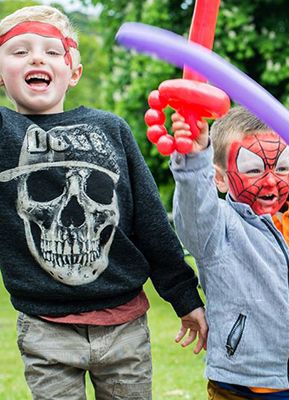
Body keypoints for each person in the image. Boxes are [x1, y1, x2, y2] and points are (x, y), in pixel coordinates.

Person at [0, 6, 207, 399]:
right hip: (46, 328)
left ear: (73, 72)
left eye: (51, 51)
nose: (37, 58)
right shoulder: (2, 134)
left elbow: (149, 220)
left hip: (124, 325)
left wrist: (183, 296)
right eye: (19, 51)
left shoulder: (111, 129)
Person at [170, 105, 289, 400]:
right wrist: (193, 159)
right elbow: (195, 211)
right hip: (240, 389)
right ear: (221, 178)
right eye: (253, 169)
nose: (271, 180)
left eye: (282, 167)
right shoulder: (218, 228)